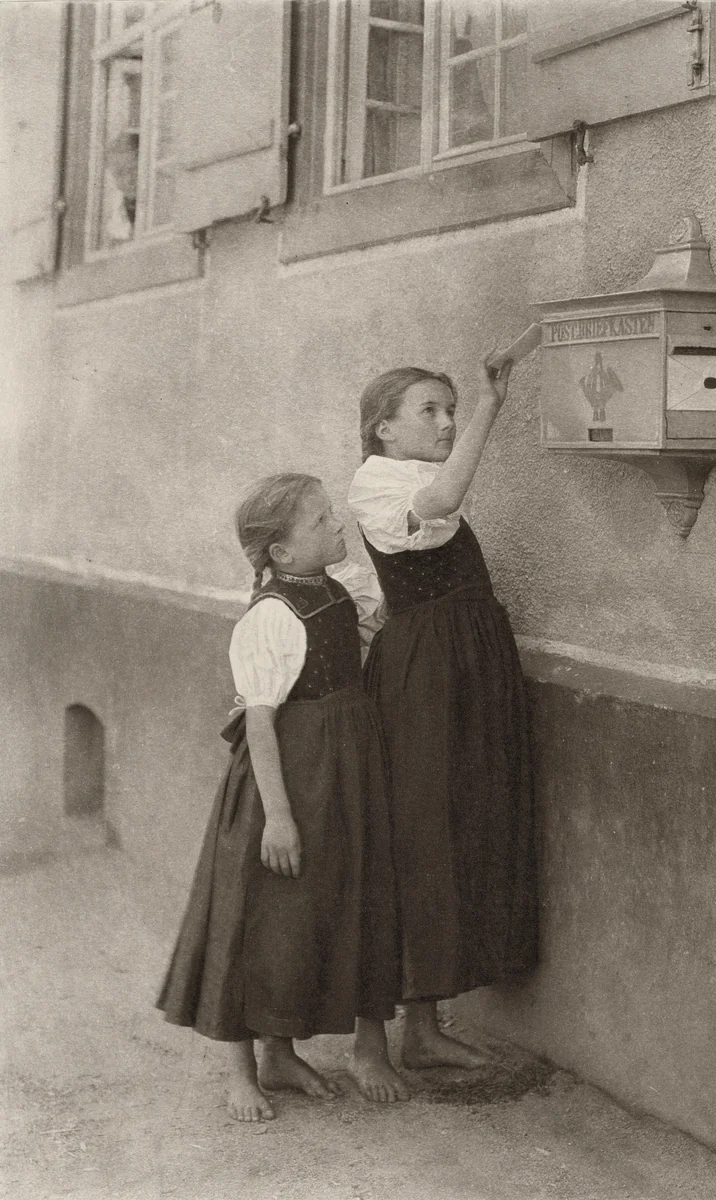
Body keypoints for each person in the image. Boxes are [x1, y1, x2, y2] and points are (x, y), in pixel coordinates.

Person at [157, 472, 409, 1120]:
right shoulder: (269, 617)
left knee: (337, 903)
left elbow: (356, 640)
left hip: (346, 774)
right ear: (280, 553)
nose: (337, 527)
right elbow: (261, 721)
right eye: (322, 522)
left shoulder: (333, 588)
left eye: (332, 516)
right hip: (287, 783)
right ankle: (242, 1070)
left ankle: (285, 1052)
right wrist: (278, 819)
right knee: (259, 917)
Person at [348, 358, 538, 1070]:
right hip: (426, 671)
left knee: (457, 832)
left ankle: (423, 1029)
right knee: (417, 836)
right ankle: (377, 1036)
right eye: (429, 411)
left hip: (467, 663)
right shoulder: (377, 482)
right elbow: (444, 495)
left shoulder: (408, 479)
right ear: (383, 429)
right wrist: (492, 406)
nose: (446, 422)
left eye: (451, 409)